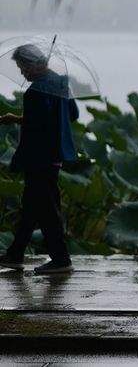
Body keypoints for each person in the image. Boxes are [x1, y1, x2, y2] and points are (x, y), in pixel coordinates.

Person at [0, 44, 79, 275]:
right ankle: (15, 255)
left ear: (34, 63)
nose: (22, 72)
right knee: (32, 206)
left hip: (38, 158)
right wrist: (19, 118)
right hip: (56, 155)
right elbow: (72, 114)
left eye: (23, 66)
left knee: (45, 209)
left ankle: (61, 260)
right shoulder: (62, 83)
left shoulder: (35, 92)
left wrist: (15, 120)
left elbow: (37, 125)